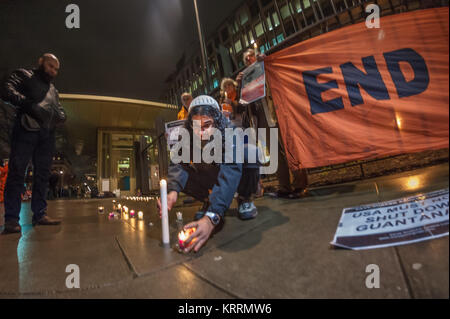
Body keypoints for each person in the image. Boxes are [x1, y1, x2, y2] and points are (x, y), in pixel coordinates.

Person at [157, 95, 261, 253]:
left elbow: (231, 169)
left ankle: (244, 197)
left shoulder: (229, 131)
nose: (201, 132)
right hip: (210, 172)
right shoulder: (186, 134)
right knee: (179, 177)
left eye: (207, 125)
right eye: (196, 126)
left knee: (251, 153)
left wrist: (212, 217)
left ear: (217, 120)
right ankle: (208, 200)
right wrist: (172, 191)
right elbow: (177, 162)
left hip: (231, 174)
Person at [0, 53, 66, 234]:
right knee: (17, 171)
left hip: (46, 135)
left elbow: (60, 110)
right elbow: (6, 89)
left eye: (56, 68)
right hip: (25, 129)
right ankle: (12, 219)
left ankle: (40, 213)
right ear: (41, 62)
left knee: (43, 175)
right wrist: (28, 105)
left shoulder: (54, 91)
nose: (53, 70)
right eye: (50, 65)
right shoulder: (24, 75)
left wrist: (61, 116)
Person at [237, 49, 309, 199]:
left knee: (290, 149)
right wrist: (240, 84)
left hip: (277, 113)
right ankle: (284, 186)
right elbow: (242, 103)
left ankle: (300, 185)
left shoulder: (266, 66)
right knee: (275, 154)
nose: (250, 60)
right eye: (246, 60)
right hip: (262, 119)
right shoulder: (247, 78)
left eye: (251, 56)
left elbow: (278, 78)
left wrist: (267, 62)